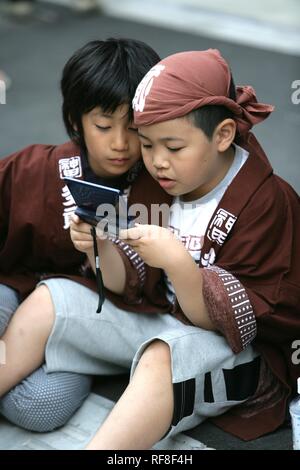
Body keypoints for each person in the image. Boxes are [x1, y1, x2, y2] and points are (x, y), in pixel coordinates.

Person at [1, 49, 299, 449]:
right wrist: (101, 246)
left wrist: (177, 263)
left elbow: (230, 324)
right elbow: (131, 280)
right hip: (160, 319)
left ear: (224, 135)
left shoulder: (266, 200)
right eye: (149, 145)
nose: (157, 162)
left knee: (163, 356)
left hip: (225, 347)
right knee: (52, 298)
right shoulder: (158, 180)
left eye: (173, 148)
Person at [0, 37, 161, 432]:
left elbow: (145, 286)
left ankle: (37, 356)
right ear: (76, 121)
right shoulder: (33, 168)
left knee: (37, 406)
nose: (121, 144)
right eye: (104, 126)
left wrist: (100, 247)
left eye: (134, 128)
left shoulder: (157, 187)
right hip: (13, 290)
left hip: (82, 325)